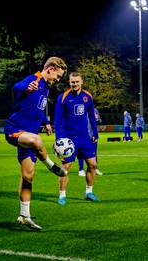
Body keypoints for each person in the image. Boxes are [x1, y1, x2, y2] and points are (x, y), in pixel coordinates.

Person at [4, 57, 68, 230]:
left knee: (28, 176)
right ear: (51, 68)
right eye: (58, 76)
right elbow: (16, 87)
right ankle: (50, 165)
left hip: (29, 136)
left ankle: (24, 215)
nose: (58, 80)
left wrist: (46, 121)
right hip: (14, 130)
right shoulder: (34, 79)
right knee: (37, 140)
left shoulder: (46, 88)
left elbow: (37, 109)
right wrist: (25, 87)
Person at [54, 72, 99, 205]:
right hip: (69, 139)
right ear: (69, 82)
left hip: (85, 137)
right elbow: (58, 120)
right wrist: (59, 140)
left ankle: (89, 192)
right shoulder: (63, 98)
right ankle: (62, 195)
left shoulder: (88, 97)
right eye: (72, 82)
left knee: (92, 164)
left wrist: (95, 133)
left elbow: (91, 116)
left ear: (82, 82)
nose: (75, 84)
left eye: (77, 82)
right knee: (66, 167)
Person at [78, 108, 103, 177]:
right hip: (83, 135)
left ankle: (95, 169)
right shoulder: (80, 108)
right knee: (81, 153)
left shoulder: (95, 110)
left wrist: (97, 118)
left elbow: (100, 121)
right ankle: (81, 170)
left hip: (93, 136)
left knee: (94, 153)